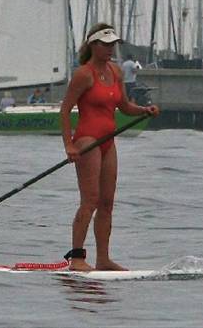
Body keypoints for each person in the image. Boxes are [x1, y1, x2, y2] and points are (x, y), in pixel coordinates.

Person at [60, 24, 160, 272]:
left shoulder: (115, 71)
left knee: (107, 203)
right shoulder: (84, 74)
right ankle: (77, 258)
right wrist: (69, 145)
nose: (110, 49)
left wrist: (144, 110)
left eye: (112, 44)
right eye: (105, 45)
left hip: (108, 142)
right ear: (93, 45)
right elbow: (65, 110)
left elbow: (124, 106)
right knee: (90, 200)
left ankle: (103, 259)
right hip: (87, 141)